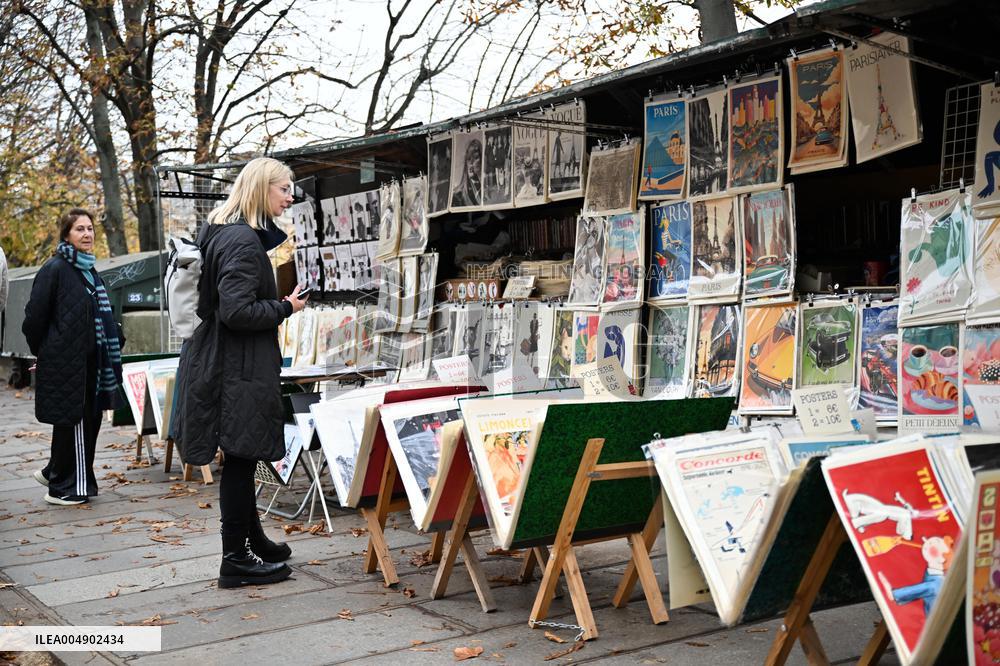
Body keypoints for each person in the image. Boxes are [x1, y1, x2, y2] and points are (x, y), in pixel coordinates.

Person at [173, 157, 309, 589]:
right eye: (284, 189)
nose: (290, 197)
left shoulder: (221, 232)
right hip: (238, 369)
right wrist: (286, 307)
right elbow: (236, 310)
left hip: (225, 362)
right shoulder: (242, 241)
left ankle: (253, 541)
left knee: (242, 456)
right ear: (260, 189)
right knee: (239, 458)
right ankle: (236, 559)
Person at [22, 208, 124, 505]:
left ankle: (56, 471)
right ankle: (67, 487)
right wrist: (46, 352)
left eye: (90, 228)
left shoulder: (88, 270)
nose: (87, 234)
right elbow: (33, 319)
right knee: (78, 425)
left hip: (93, 362)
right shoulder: (55, 269)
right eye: (80, 229)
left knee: (83, 424)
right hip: (71, 364)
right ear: (66, 235)